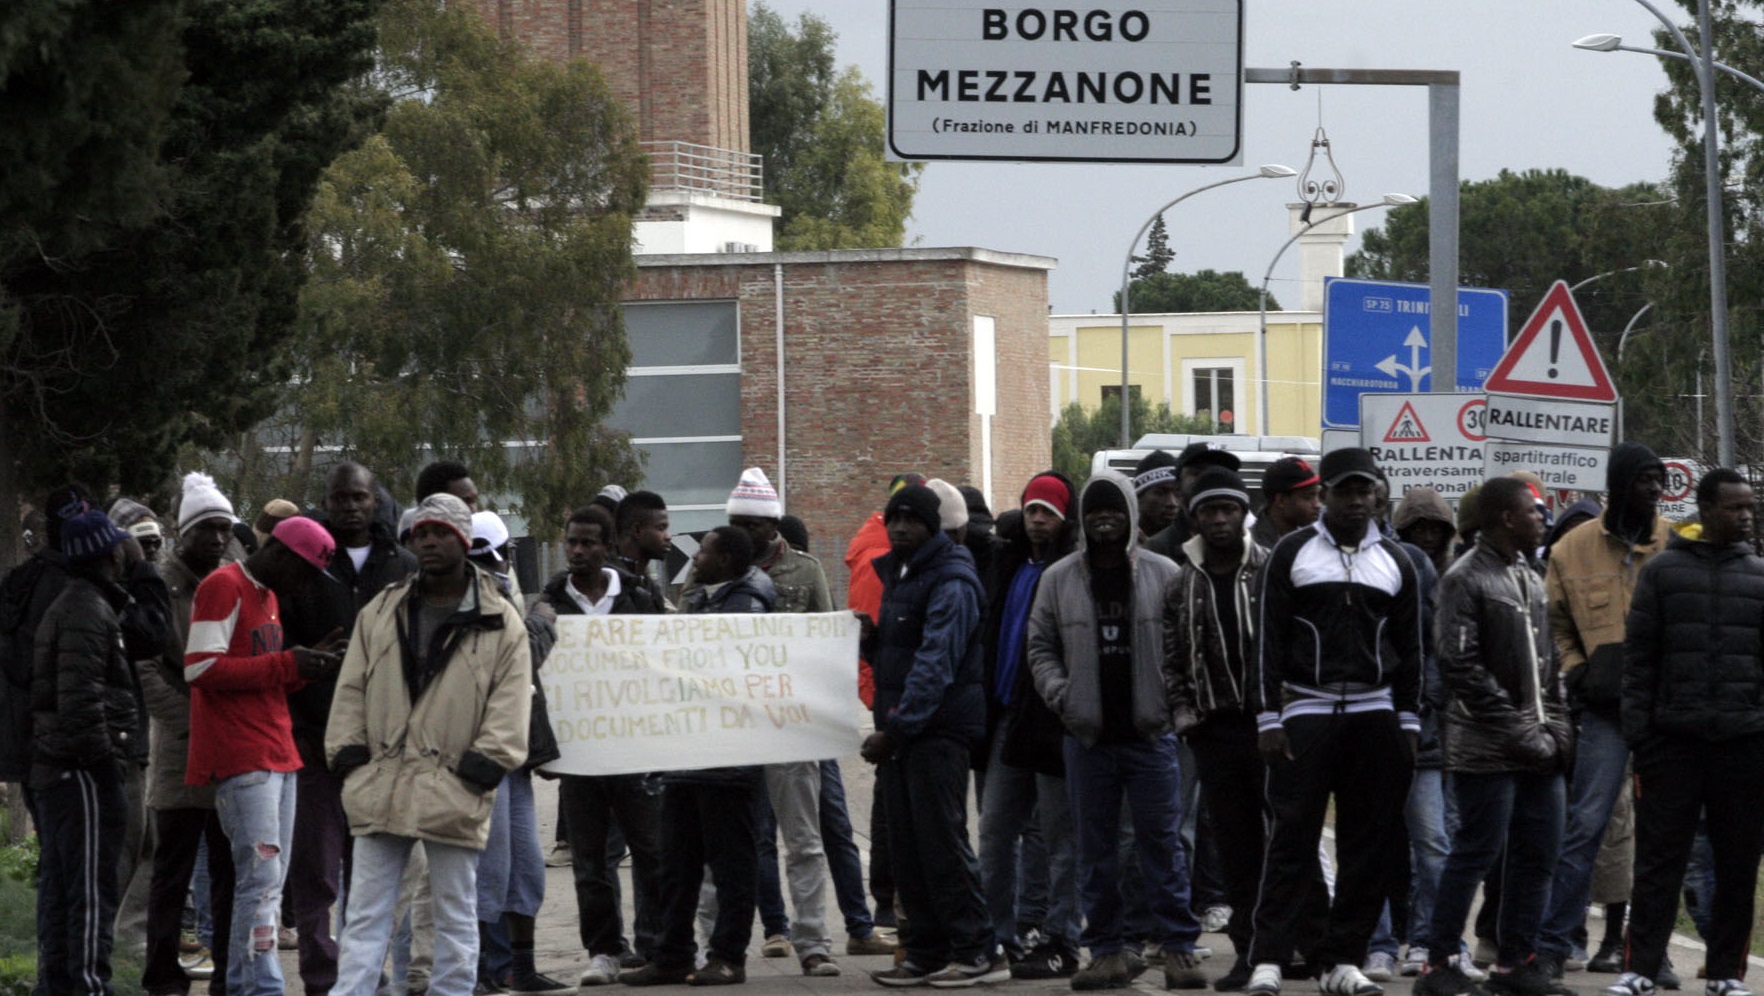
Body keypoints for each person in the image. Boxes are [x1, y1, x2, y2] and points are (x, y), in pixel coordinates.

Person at [327, 493, 533, 996]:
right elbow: (350, 688)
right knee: (365, 913)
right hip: (382, 780)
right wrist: (350, 760)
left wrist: (480, 770)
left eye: (442, 532)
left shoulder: (501, 621)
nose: (431, 541)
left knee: (453, 913)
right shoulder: (381, 610)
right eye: (421, 533)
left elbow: (510, 708)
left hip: (454, 786)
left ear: (464, 541)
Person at [1244, 447, 1423, 996]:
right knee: (1292, 837)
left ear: (1377, 495)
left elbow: (1412, 649)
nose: (1354, 500)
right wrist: (1268, 717)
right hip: (1306, 708)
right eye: (1343, 490)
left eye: (1364, 490)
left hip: (1375, 713)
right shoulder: (1293, 553)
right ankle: (1269, 957)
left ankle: (1343, 959)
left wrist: (1410, 723)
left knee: (1367, 842)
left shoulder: (1396, 561)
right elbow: (1267, 642)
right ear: (1324, 496)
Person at [1027, 469, 1203, 991]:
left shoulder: (1165, 572)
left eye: (1115, 509)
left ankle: (1179, 950)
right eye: (1096, 510)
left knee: (1164, 848)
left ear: (1129, 517)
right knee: (1095, 852)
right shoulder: (1058, 578)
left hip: (1151, 737)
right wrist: (1064, 695)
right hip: (1087, 739)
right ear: (1083, 518)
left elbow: (1186, 646)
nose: (1106, 518)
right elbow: (1040, 648)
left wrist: (1174, 703)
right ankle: (1104, 952)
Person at [1604, 468, 1764, 996]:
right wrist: (1640, 736)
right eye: (1735, 507)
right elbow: (1639, 660)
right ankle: (1640, 969)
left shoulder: (1759, 576)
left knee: (1738, 866)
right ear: (1706, 508)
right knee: (1658, 862)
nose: (1746, 516)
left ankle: (1725, 973)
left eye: (1750, 507)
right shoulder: (1664, 572)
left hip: (1743, 746)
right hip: (1670, 745)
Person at [1413, 477, 1569, 996]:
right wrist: (1518, 729)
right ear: (1505, 517)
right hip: (1484, 747)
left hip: (1539, 747)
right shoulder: (1464, 578)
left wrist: (1558, 732)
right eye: (1532, 513)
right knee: (1476, 851)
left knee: (1538, 853)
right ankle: (1439, 964)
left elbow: (1549, 666)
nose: (1541, 520)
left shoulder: (1529, 574)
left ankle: (1516, 963)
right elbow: (1459, 665)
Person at [185, 513, 344, 996]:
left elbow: (262, 673)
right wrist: (284, 662)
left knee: (269, 884)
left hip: (278, 749)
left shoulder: (270, 595)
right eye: (305, 572)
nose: (307, 586)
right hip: (241, 754)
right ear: (278, 552)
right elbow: (201, 667)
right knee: (260, 881)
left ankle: (244, 983)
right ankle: (263, 987)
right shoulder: (223, 585)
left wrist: (303, 666)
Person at [281, 462, 419, 996]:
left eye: (359, 497)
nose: (351, 507)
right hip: (313, 737)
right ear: (328, 501)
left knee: (373, 871)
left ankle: (366, 974)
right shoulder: (305, 565)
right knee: (314, 869)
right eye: (340, 498)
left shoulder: (403, 564)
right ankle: (322, 975)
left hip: (382, 745)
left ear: (375, 499)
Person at [1536, 444, 1672, 980]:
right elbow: (1555, 624)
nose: (1656, 491)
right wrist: (1575, 669)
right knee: (1585, 827)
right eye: (1645, 481)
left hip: (1666, 714)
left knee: (1663, 834)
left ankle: (1650, 954)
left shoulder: (1674, 545)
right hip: (1606, 713)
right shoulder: (1571, 549)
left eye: (1660, 481)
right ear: (1619, 485)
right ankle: (1551, 947)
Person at [859, 484, 1002, 988]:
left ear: (933, 526)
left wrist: (896, 730)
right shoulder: (903, 574)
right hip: (904, 734)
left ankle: (978, 949)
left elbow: (936, 662)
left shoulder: (952, 579)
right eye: (893, 518)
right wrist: (874, 646)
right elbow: (905, 656)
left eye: (911, 519)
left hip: (935, 733)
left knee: (941, 843)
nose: (899, 527)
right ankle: (926, 950)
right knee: (907, 848)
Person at [623, 525, 775, 987]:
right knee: (677, 863)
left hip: (730, 761)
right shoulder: (703, 597)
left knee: (731, 865)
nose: (696, 558)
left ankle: (728, 956)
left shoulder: (749, 604)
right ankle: (673, 954)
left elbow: (731, 668)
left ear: (726, 560)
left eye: (704, 552)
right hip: (688, 754)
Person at [538, 504, 666, 987]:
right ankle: (605, 950)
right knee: (591, 860)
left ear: (609, 548)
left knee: (651, 852)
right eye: (572, 541)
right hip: (580, 752)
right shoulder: (550, 602)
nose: (578, 551)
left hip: (634, 747)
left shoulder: (639, 597)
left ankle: (653, 945)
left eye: (588, 542)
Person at [1166, 467, 1270, 992]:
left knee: (1287, 842)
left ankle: (1298, 946)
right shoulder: (1182, 581)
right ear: (1195, 517)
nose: (1221, 519)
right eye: (1210, 510)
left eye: (1229, 509)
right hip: (1214, 732)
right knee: (1236, 849)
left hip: (1272, 729)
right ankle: (1250, 954)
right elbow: (1172, 661)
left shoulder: (1271, 570)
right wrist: (1186, 715)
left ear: (1243, 512)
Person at [29, 510, 138, 996]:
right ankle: (90, 986)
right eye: (118, 544)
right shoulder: (86, 611)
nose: (125, 549)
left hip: (62, 772)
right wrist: (105, 767)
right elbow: (80, 701)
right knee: (91, 890)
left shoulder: (79, 605)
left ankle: (58, 984)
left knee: (62, 887)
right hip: (82, 774)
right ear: (106, 552)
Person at [978, 471, 1080, 979]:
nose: (1039, 521)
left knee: (1061, 837)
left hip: (1053, 723)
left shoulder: (1070, 572)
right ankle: (997, 936)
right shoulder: (1010, 564)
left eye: (1050, 513)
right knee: (995, 831)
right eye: (1033, 510)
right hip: (1007, 719)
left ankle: (1063, 935)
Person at [141, 488, 240, 995]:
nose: (219, 538)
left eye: (225, 528)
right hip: (182, 743)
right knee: (172, 872)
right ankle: (163, 976)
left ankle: (228, 972)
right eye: (208, 528)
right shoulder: (159, 584)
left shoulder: (236, 580)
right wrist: (189, 718)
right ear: (183, 530)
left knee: (229, 873)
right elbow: (144, 666)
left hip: (230, 743)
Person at [1250, 457, 1322, 549]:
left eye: (1317, 496)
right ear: (1281, 501)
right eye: (1307, 497)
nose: (1317, 505)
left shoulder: (1317, 539)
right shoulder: (1252, 548)